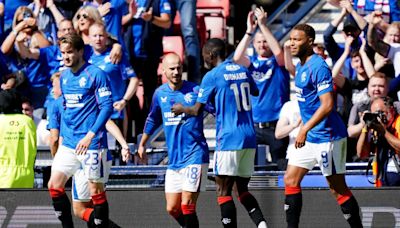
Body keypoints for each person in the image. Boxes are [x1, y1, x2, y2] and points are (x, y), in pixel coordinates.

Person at [172, 38, 267, 228]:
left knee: (223, 191)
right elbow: (254, 92)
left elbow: (197, 110)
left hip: (229, 138)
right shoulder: (242, 70)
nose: (204, 59)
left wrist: (182, 108)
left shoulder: (212, 75)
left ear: (211, 55)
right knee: (242, 190)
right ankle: (262, 225)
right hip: (249, 137)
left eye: (205, 56)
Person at [285, 24, 363, 228]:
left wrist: (303, 128)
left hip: (328, 136)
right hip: (311, 136)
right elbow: (293, 72)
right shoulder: (302, 64)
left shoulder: (318, 66)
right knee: (290, 180)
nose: (292, 43)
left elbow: (327, 105)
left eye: (297, 40)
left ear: (310, 42)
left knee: (337, 188)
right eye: (291, 39)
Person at [47, 33, 113, 228]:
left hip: (91, 144)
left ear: (80, 51)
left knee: (95, 191)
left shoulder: (96, 74)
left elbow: (107, 107)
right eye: (63, 53)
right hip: (69, 144)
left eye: (69, 52)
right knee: (54, 186)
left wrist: (90, 134)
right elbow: (69, 108)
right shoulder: (64, 77)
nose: (66, 57)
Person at [47, 71, 129, 227]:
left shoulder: (59, 104)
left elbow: (54, 139)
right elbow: (107, 122)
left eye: (54, 85)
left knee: (83, 206)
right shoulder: (72, 103)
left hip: (88, 153)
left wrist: (56, 160)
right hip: (88, 154)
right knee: (84, 207)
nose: (52, 89)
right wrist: (123, 144)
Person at [137, 53, 209, 227]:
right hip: (174, 161)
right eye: (172, 68)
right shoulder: (159, 94)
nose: (176, 72)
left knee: (187, 205)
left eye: (179, 68)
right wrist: (142, 143)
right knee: (172, 208)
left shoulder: (195, 91)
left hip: (195, 156)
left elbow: (216, 110)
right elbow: (153, 118)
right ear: (163, 70)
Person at [233, 7, 290, 169]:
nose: (262, 45)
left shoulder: (278, 63)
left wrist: (263, 26)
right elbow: (237, 58)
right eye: (258, 42)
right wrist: (249, 31)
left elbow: (278, 52)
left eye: (265, 41)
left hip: (276, 124)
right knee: (248, 168)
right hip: (254, 124)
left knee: (281, 166)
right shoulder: (251, 62)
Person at [88, 22, 138, 163]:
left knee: (117, 154)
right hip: (93, 112)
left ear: (106, 37)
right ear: (89, 37)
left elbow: (133, 79)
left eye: (101, 35)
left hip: (115, 111)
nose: (98, 39)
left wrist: (124, 100)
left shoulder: (115, 55)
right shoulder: (85, 56)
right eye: (95, 35)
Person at [357, 96, 400, 186]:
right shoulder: (376, 127)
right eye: (375, 114)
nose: (379, 117)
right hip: (383, 184)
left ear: (392, 110)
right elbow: (361, 154)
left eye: (381, 112)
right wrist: (365, 128)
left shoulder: (398, 122)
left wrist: (384, 132)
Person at [0, 89, 36, 188]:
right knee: (23, 203)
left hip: (3, 174)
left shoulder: (1, 121)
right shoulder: (28, 122)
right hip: (26, 173)